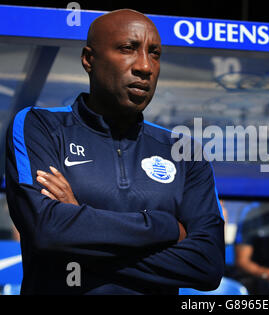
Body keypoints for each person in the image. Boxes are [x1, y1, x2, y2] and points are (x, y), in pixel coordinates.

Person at [5, 9, 225, 295]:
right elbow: (47, 232)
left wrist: (77, 229)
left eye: (155, 53)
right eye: (128, 49)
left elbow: (206, 266)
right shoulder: (40, 125)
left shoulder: (185, 152)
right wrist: (166, 226)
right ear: (88, 59)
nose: (145, 66)